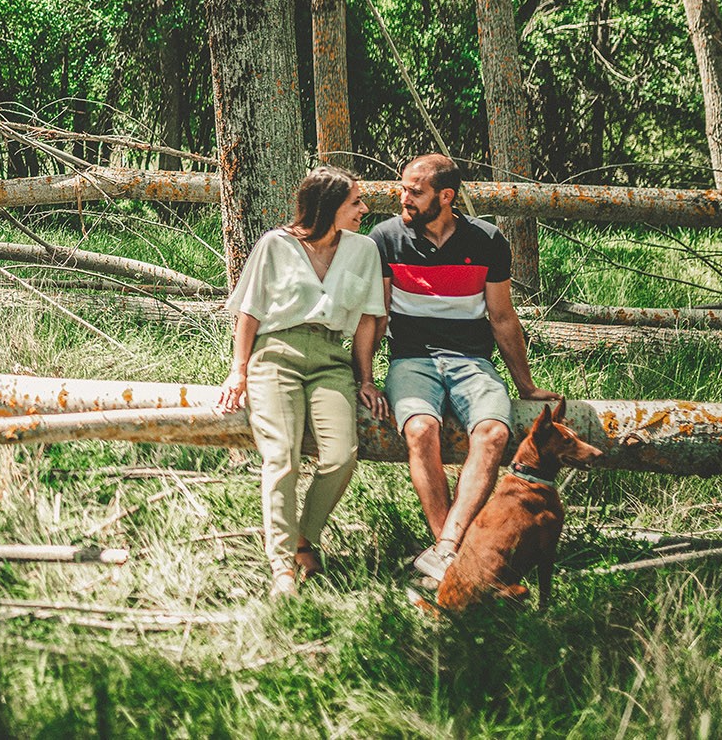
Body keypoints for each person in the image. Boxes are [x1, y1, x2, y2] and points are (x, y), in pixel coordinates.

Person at [369, 153, 560, 581]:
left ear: (446, 196)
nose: (404, 198)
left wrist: (525, 386)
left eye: (414, 192)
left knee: (494, 432)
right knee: (420, 429)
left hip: (471, 360)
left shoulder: (487, 240)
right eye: (403, 189)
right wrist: (362, 378)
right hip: (412, 358)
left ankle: (447, 546)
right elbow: (376, 316)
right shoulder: (385, 238)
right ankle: (449, 550)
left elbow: (503, 317)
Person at [215, 166, 388, 597]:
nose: (364, 209)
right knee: (282, 457)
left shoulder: (364, 249)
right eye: (355, 202)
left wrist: (365, 378)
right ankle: (282, 571)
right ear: (330, 207)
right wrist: (238, 370)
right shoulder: (276, 245)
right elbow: (249, 313)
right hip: (276, 355)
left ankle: (304, 538)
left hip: (332, 360)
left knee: (341, 455)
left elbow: (368, 319)